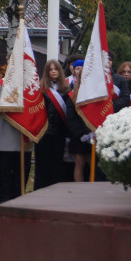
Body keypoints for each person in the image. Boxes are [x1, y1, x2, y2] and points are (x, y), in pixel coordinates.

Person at [34, 59, 73, 190]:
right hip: (44, 131)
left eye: (55, 69)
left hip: (60, 131)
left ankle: (56, 190)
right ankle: (40, 190)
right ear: (47, 72)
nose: (53, 72)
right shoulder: (41, 88)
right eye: (50, 69)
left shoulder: (66, 88)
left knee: (58, 163)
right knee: (43, 163)